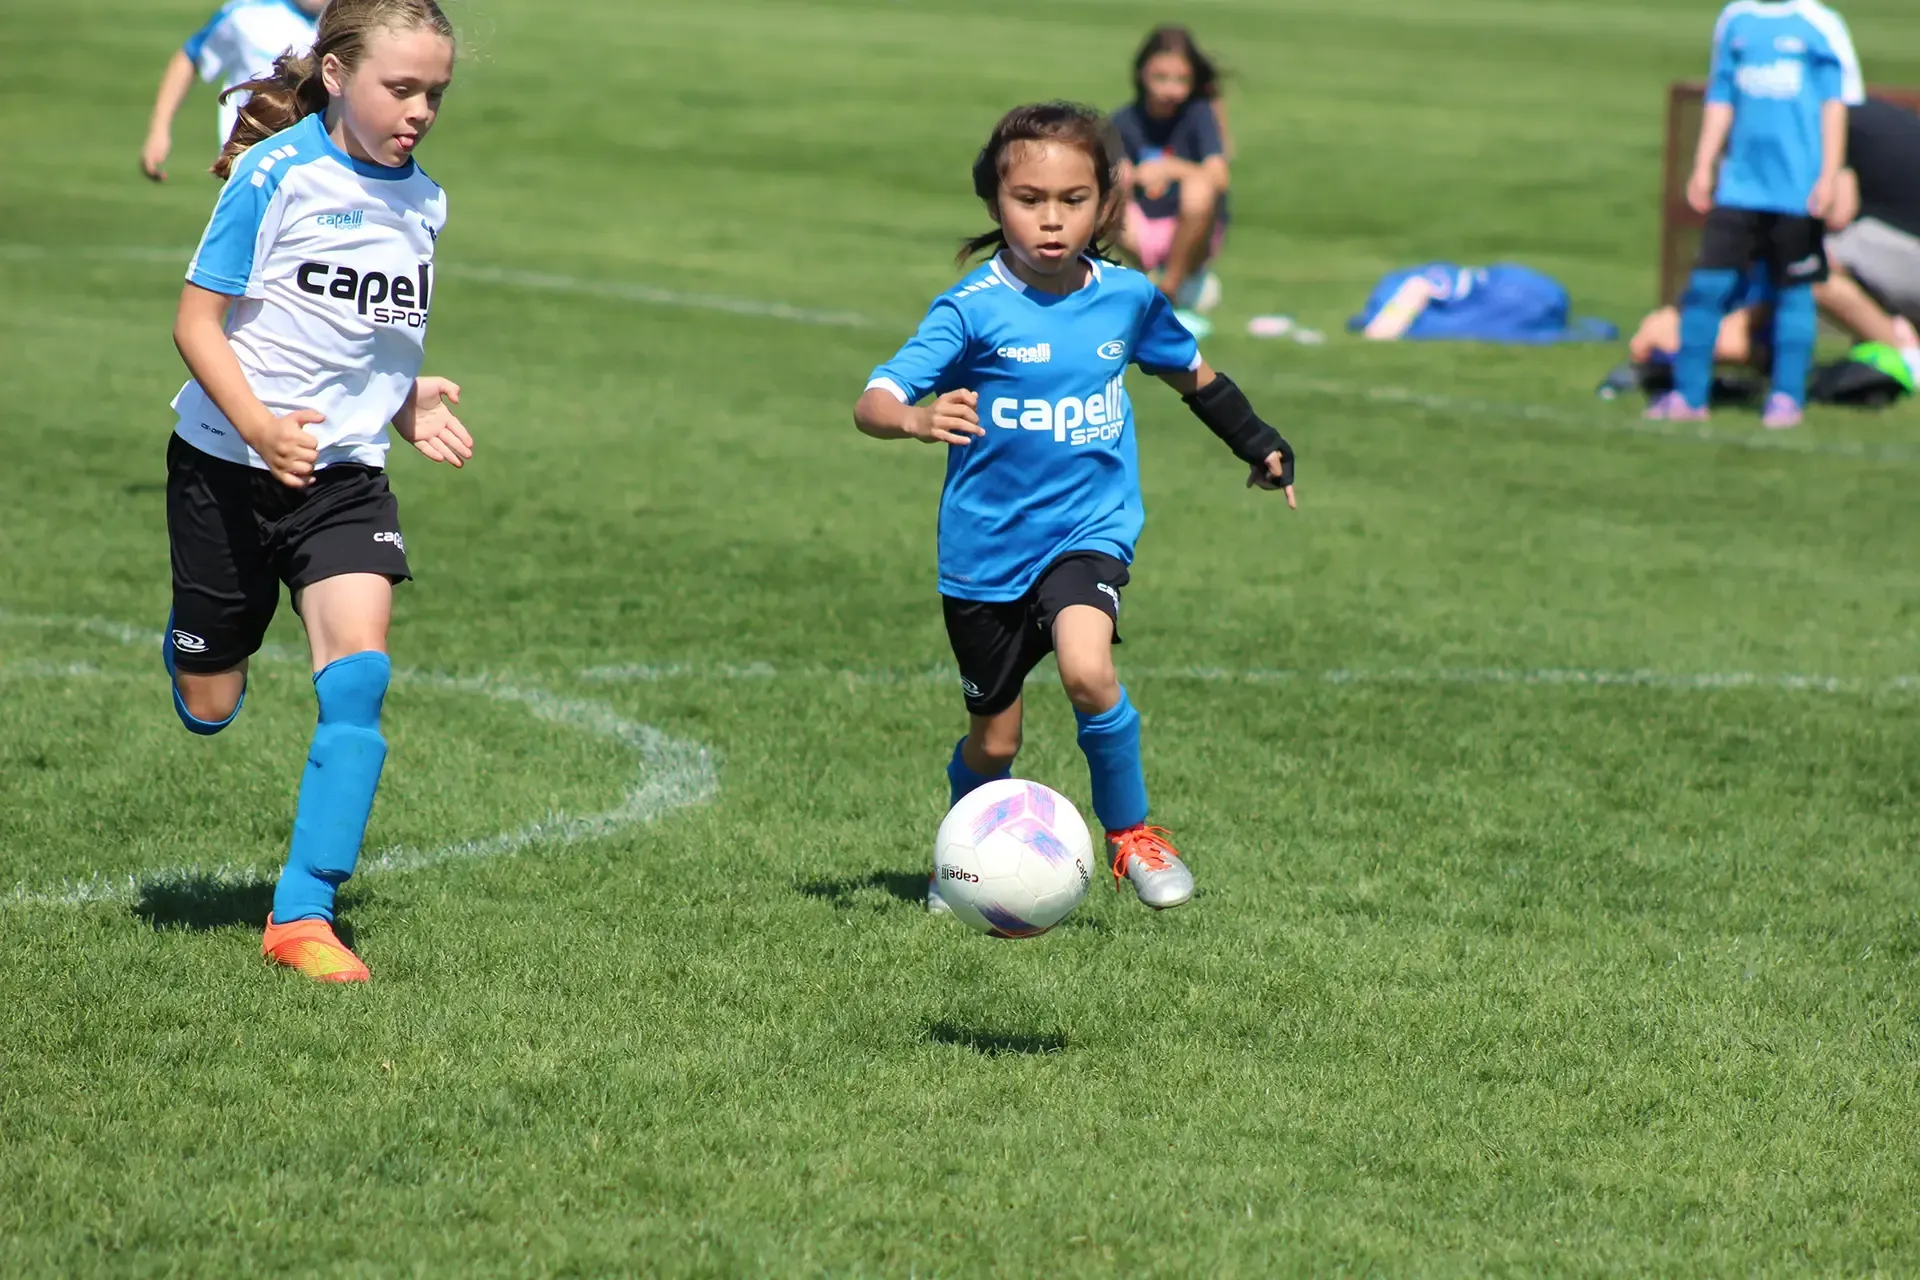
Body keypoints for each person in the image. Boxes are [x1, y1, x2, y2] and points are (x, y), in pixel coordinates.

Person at [853, 102, 1295, 918]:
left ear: (1106, 203)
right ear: (995, 202)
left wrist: (1259, 443)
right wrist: (914, 418)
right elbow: (874, 397)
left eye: (1073, 199)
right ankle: (963, 861)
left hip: (1088, 532)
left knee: (1090, 671)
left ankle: (1133, 839)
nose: (1052, 220)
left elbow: (1193, 377)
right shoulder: (971, 307)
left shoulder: (1126, 300)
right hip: (984, 553)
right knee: (996, 742)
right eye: (1029, 200)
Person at [162, 0, 469, 983]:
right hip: (224, 465)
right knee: (210, 700)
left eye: (436, 93)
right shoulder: (274, 173)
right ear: (338, 77)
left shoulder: (426, 199)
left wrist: (407, 397)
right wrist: (256, 426)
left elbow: (371, 326)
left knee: (360, 682)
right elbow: (198, 323)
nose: (420, 110)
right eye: (401, 88)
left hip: (342, 480)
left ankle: (302, 913)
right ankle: (197, 643)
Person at [1649, 0, 1850, 430]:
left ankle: (1787, 398)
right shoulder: (1736, 19)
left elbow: (1835, 105)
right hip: (1740, 184)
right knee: (1706, 287)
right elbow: (1722, 96)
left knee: (1794, 292)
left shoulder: (1820, 24)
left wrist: (1830, 175)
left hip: (1798, 189)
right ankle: (1689, 396)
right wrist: (1704, 164)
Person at [1110, 26, 1232, 338]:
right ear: (1142, 74)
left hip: (1190, 232)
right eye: (1161, 78)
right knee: (1111, 179)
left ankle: (1170, 288)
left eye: (1181, 80)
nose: (1171, 90)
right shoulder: (1123, 121)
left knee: (1200, 187)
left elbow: (1219, 176)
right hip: (1140, 231)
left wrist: (1172, 168)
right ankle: (1143, 279)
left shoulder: (1198, 115)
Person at [141, 0, 326, 182]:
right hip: (247, 165)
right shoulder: (245, 13)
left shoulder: (349, 18)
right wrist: (159, 128)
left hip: (320, 167)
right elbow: (190, 58)